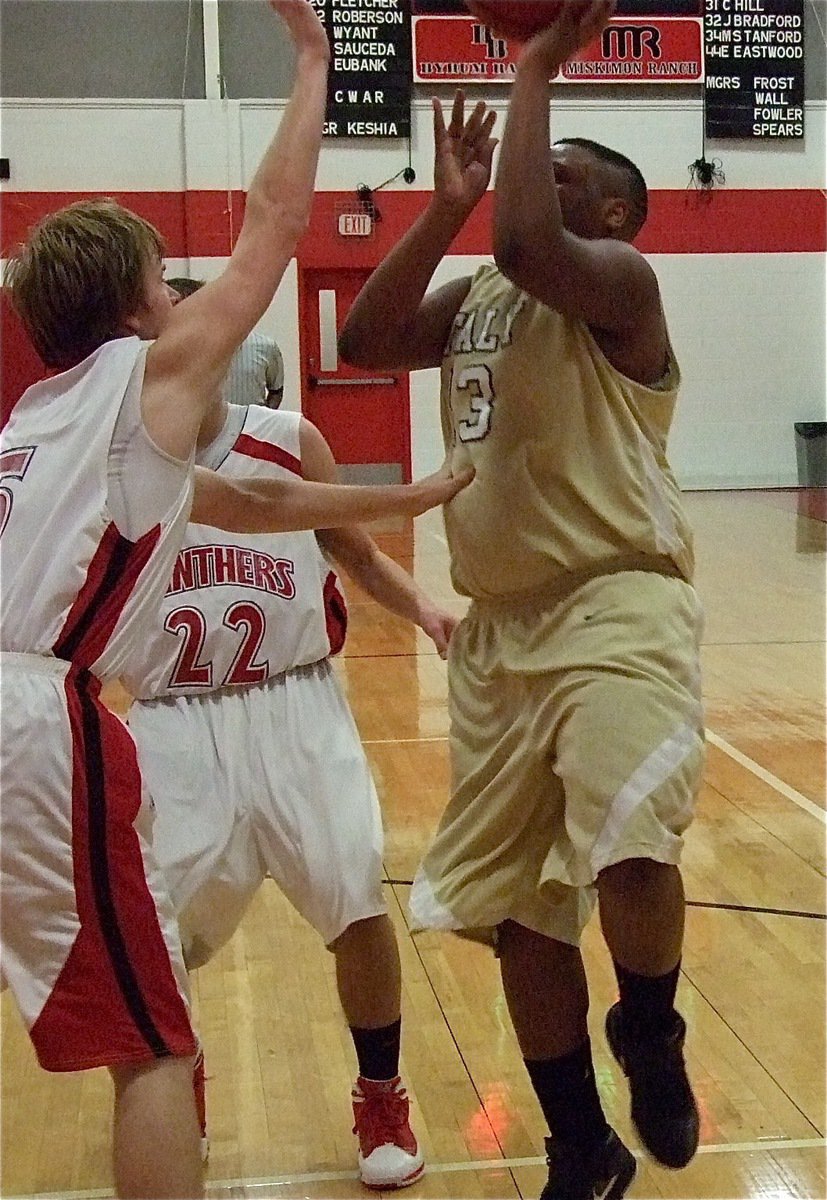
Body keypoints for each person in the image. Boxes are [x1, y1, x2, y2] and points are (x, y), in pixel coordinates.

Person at [0, 3, 469, 1197]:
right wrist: (312, 59)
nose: (184, 292)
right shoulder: (138, 380)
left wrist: (407, 495)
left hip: (209, 706)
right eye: (167, 278)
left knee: (153, 999)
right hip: (70, 720)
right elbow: (274, 221)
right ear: (134, 305)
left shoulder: (38, 421)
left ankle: (369, 1092)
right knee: (153, 1035)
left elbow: (251, 507)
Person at [338, 3, 704, 1198]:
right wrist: (438, 205)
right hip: (496, 636)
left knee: (629, 847)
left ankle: (647, 1027)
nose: (517, 180)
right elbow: (369, 332)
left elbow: (524, 245)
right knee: (516, 913)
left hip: (614, 606)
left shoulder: (616, 282)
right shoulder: (487, 298)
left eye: (549, 173)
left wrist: (536, 63)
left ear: (606, 212)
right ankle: (578, 1147)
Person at [120, 382, 458, 1189]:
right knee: (159, 937)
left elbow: (356, 552)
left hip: (295, 703)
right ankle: (175, 1088)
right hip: (171, 719)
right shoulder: (116, 459)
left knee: (356, 897)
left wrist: (427, 612)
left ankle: (381, 1095)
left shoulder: (285, 438)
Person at [168, 278, 284, 409]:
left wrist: (261, 421)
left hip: (250, 427)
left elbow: (276, 391)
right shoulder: (183, 350)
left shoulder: (266, 347)